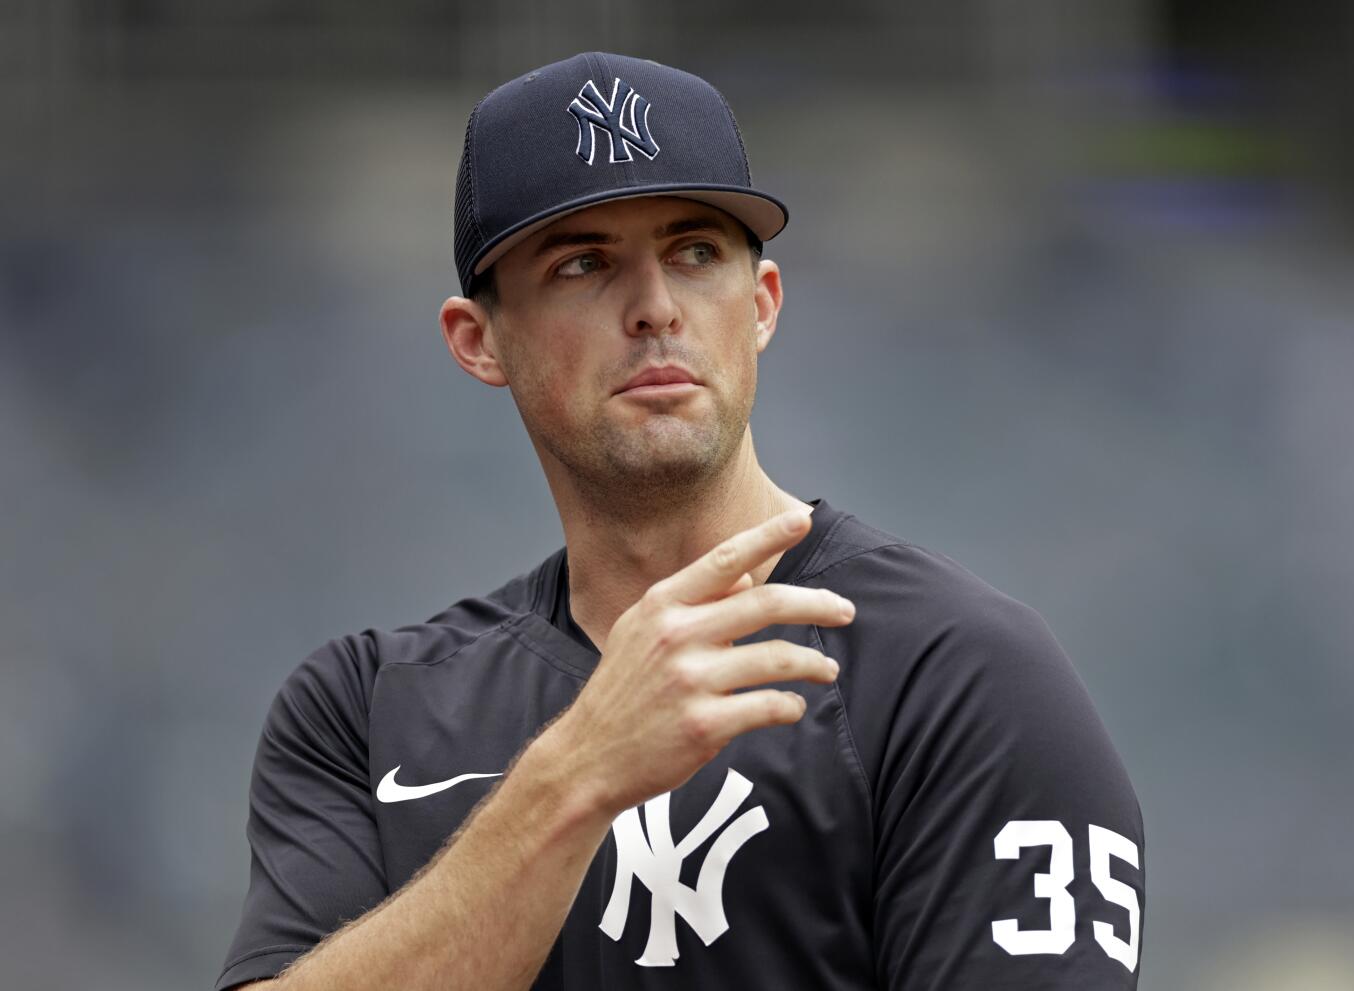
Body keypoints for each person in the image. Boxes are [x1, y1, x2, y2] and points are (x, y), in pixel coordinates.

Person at [215, 52, 1146, 990]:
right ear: (477, 340)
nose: (656, 308)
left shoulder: (956, 671)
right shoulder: (364, 709)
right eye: (584, 264)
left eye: (696, 253)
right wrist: (576, 775)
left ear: (763, 305)